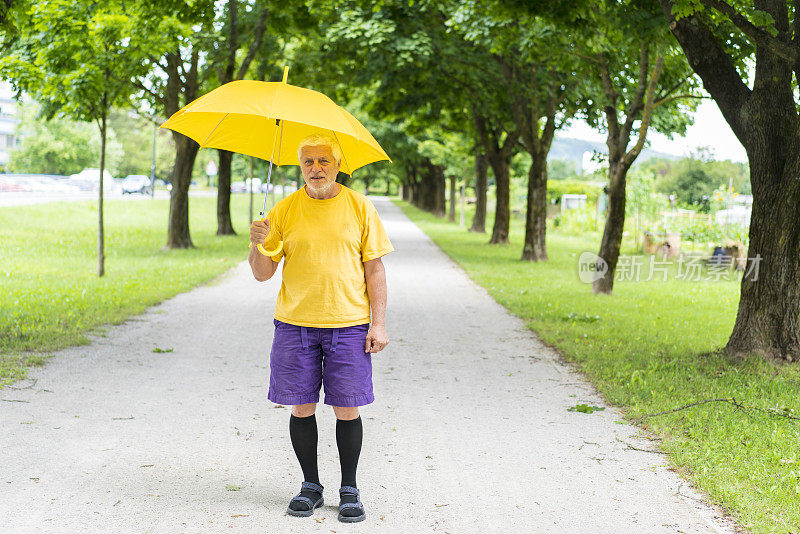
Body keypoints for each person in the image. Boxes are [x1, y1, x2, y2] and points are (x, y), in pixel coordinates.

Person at [248, 133, 394, 523]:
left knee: (347, 408)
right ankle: (310, 485)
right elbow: (263, 274)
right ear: (301, 167)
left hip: (348, 325)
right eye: (309, 162)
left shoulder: (360, 207)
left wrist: (378, 323)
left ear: (338, 165)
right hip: (295, 325)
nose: (316, 169)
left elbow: (375, 269)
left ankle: (350, 489)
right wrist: (256, 243)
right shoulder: (283, 210)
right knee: (301, 406)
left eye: (324, 161)